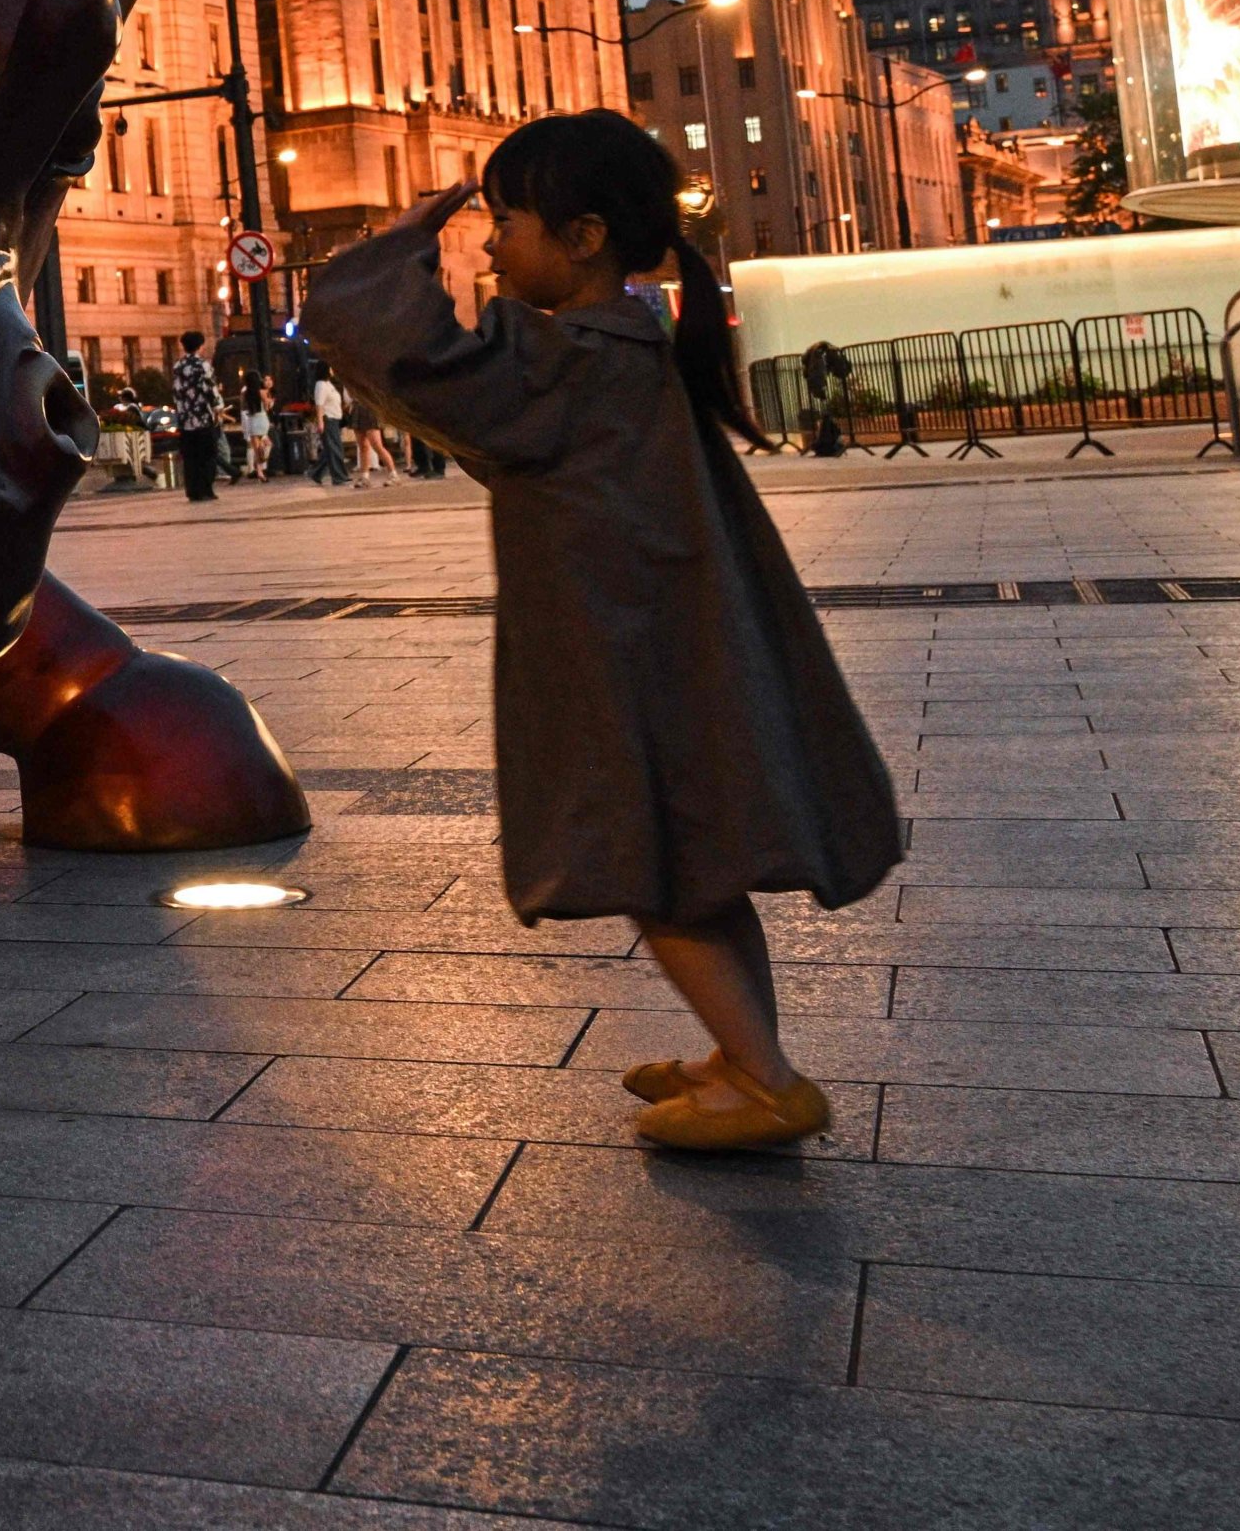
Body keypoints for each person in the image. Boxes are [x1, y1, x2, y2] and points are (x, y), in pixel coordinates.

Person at [307, 111, 903, 1155]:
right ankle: (747, 1051)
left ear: (581, 239)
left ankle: (765, 1084)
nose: (488, 245)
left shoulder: (560, 359)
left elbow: (391, 349)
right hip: (663, 639)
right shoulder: (620, 342)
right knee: (694, 860)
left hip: (621, 652)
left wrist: (403, 238)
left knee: (655, 863)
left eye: (504, 221)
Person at [167, 331, 224, 503]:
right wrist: (217, 407)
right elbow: (209, 388)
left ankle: (193, 490)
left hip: (185, 419)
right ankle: (206, 488)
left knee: (190, 457)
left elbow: (176, 392)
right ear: (200, 346)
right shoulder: (202, 365)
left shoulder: (178, 366)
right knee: (208, 454)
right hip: (202, 417)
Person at [311, 370, 353, 486]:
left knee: (331, 448)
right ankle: (339, 476)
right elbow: (319, 404)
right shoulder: (321, 385)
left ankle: (316, 473)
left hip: (335, 419)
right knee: (335, 448)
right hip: (328, 419)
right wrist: (320, 421)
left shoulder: (329, 384)